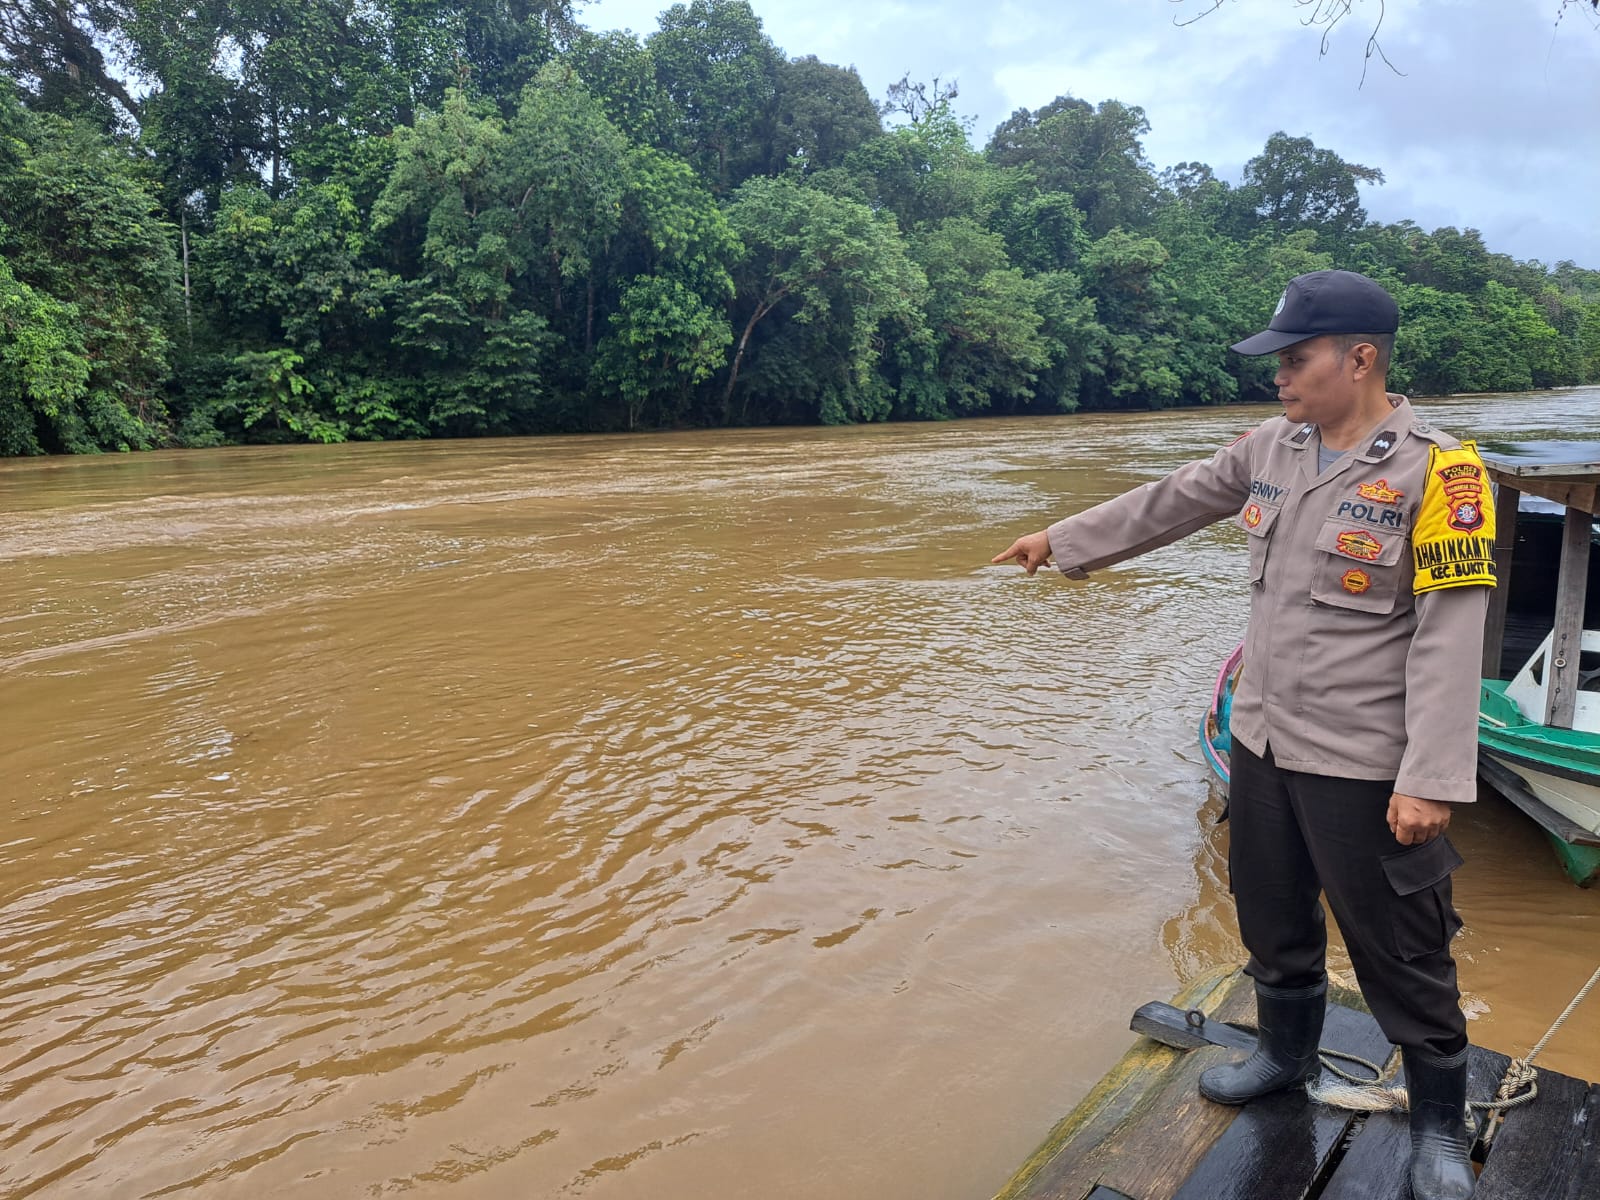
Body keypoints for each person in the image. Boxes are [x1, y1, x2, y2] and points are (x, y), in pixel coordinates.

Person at [992, 270, 1494, 1200]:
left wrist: (1429, 777)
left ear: (1360, 359)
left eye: (1295, 359)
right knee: (1271, 916)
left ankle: (1437, 1124)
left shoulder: (1441, 474)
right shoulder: (1273, 446)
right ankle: (1283, 1059)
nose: (1279, 375)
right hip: (1261, 741)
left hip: (1362, 760)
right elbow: (1174, 498)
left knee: (1401, 946)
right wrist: (1064, 539)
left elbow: (1449, 634)